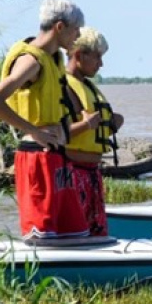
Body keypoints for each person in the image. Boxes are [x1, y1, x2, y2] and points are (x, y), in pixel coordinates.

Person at [0, 0, 89, 240]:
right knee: (41, 233)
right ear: (59, 27)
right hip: (36, 157)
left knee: (75, 231)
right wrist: (35, 131)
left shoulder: (54, 58)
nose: (78, 36)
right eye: (76, 30)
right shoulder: (30, 61)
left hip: (57, 155)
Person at [65, 27, 124, 236]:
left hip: (92, 173)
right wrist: (85, 125)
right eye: (97, 57)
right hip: (72, 174)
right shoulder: (62, 86)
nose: (101, 64)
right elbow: (51, 135)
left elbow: (93, 130)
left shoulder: (88, 86)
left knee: (96, 233)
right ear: (79, 55)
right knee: (76, 233)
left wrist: (111, 123)